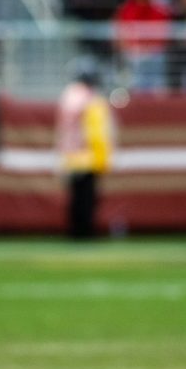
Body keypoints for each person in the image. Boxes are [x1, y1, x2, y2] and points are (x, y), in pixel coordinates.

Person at [55, 61, 115, 239]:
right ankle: (84, 231)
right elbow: (96, 132)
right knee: (86, 198)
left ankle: (75, 231)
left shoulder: (68, 96)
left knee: (76, 198)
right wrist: (103, 157)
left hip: (70, 156)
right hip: (87, 156)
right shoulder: (91, 99)